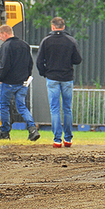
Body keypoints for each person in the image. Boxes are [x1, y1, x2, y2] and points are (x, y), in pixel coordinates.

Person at [36, 17, 83, 148]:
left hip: (52, 78)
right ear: (63, 26)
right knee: (67, 109)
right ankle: (68, 138)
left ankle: (57, 139)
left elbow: (39, 61)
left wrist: (44, 72)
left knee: (54, 109)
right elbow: (78, 60)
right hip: (67, 78)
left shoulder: (46, 41)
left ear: (52, 26)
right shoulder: (71, 41)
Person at [0, 25, 40, 141]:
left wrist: (0, 77)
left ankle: (5, 133)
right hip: (22, 82)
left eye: (0, 35)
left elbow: (5, 64)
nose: (0, 38)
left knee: (4, 106)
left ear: (5, 34)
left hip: (8, 82)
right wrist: (27, 76)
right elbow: (30, 63)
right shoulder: (25, 45)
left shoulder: (6, 46)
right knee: (21, 106)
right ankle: (32, 129)